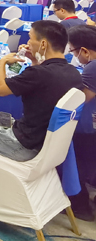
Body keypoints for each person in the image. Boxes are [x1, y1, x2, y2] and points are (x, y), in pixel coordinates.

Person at [0, 21, 83, 161]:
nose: (28, 43)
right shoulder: (74, 73)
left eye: (30, 38)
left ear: (43, 44)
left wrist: (2, 62)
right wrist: (34, 60)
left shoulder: (38, 73)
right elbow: (41, 83)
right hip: (35, 135)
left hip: (21, 144)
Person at [66, 26, 96, 220]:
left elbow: (80, 99)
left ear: (84, 51)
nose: (74, 56)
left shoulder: (93, 67)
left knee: (79, 160)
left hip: (88, 128)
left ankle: (80, 205)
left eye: (73, 51)